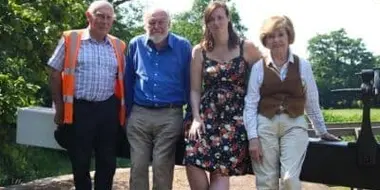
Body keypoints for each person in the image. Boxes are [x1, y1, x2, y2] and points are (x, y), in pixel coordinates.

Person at [243, 15, 341, 190]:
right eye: (271, 36)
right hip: (265, 123)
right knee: (266, 182)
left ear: (289, 36)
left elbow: (311, 100)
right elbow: (250, 104)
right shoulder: (259, 67)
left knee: (289, 179)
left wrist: (322, 131)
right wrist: (253, 138)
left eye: (280, 34)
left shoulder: (303, 65)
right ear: (266, 40)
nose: (276, 40)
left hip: (294, 124)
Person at [47, 1, 126, 189]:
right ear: (89, 16)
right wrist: (59, 107)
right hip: (79, 109)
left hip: (107, 109)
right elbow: (53, 72)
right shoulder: (71, 39)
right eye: (100, 16)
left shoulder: (118, 45)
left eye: (109, 17)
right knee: (80, 160)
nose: (105, 21)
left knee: (107, 161)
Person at [183, 1, 262, 190]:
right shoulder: (199, 51)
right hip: (206, 115)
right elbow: (195, 89)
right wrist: (195, 118)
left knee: (220, 170)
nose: (216, 22)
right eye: (211, 19)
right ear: (206, 23)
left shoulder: (246, 47)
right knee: (192, 159)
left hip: (235, 119)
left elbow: (265, 77)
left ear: (228, 19)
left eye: (220, 17)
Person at [124, 7, 192, 190]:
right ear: (145, 25)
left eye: (161, 22)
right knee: (137, 166)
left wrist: (190, 115)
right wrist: (128, 113)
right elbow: (128, 80)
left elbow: (190, 83)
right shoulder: (135, 44)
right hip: (139, 113)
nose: (156, 26)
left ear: (169, 24)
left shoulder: (183, 46)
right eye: (152, 23)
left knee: (162, 165)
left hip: (170, 114)